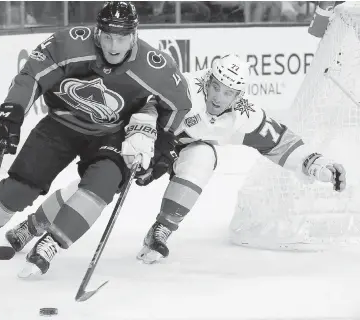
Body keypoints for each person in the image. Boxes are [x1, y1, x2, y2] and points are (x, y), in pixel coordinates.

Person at [0, 2, 192, 277]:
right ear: (97, 32)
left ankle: (51, 243)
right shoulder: (71, 43)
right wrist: (11, 111)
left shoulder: (154, 66)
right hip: (60, 124)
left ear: (135, 35)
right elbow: (31, 76)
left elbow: (179, 106)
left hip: (111, 133)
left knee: (102, 184)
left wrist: (164, 145)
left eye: (121, 37)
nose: (113, 46)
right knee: (21, 187)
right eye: (107, 36)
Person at [135, 53, 346, 263]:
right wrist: (146, 142)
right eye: (215, 87)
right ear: (207, 80)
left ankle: (161, 229)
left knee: (203, 156)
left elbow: (281, 142)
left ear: (238, 96)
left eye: (228, 93)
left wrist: (315, 164)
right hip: (147, 137)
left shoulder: (244, 114)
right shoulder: (187, 86)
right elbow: (147, 105)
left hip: (181, 150)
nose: (218, 97)